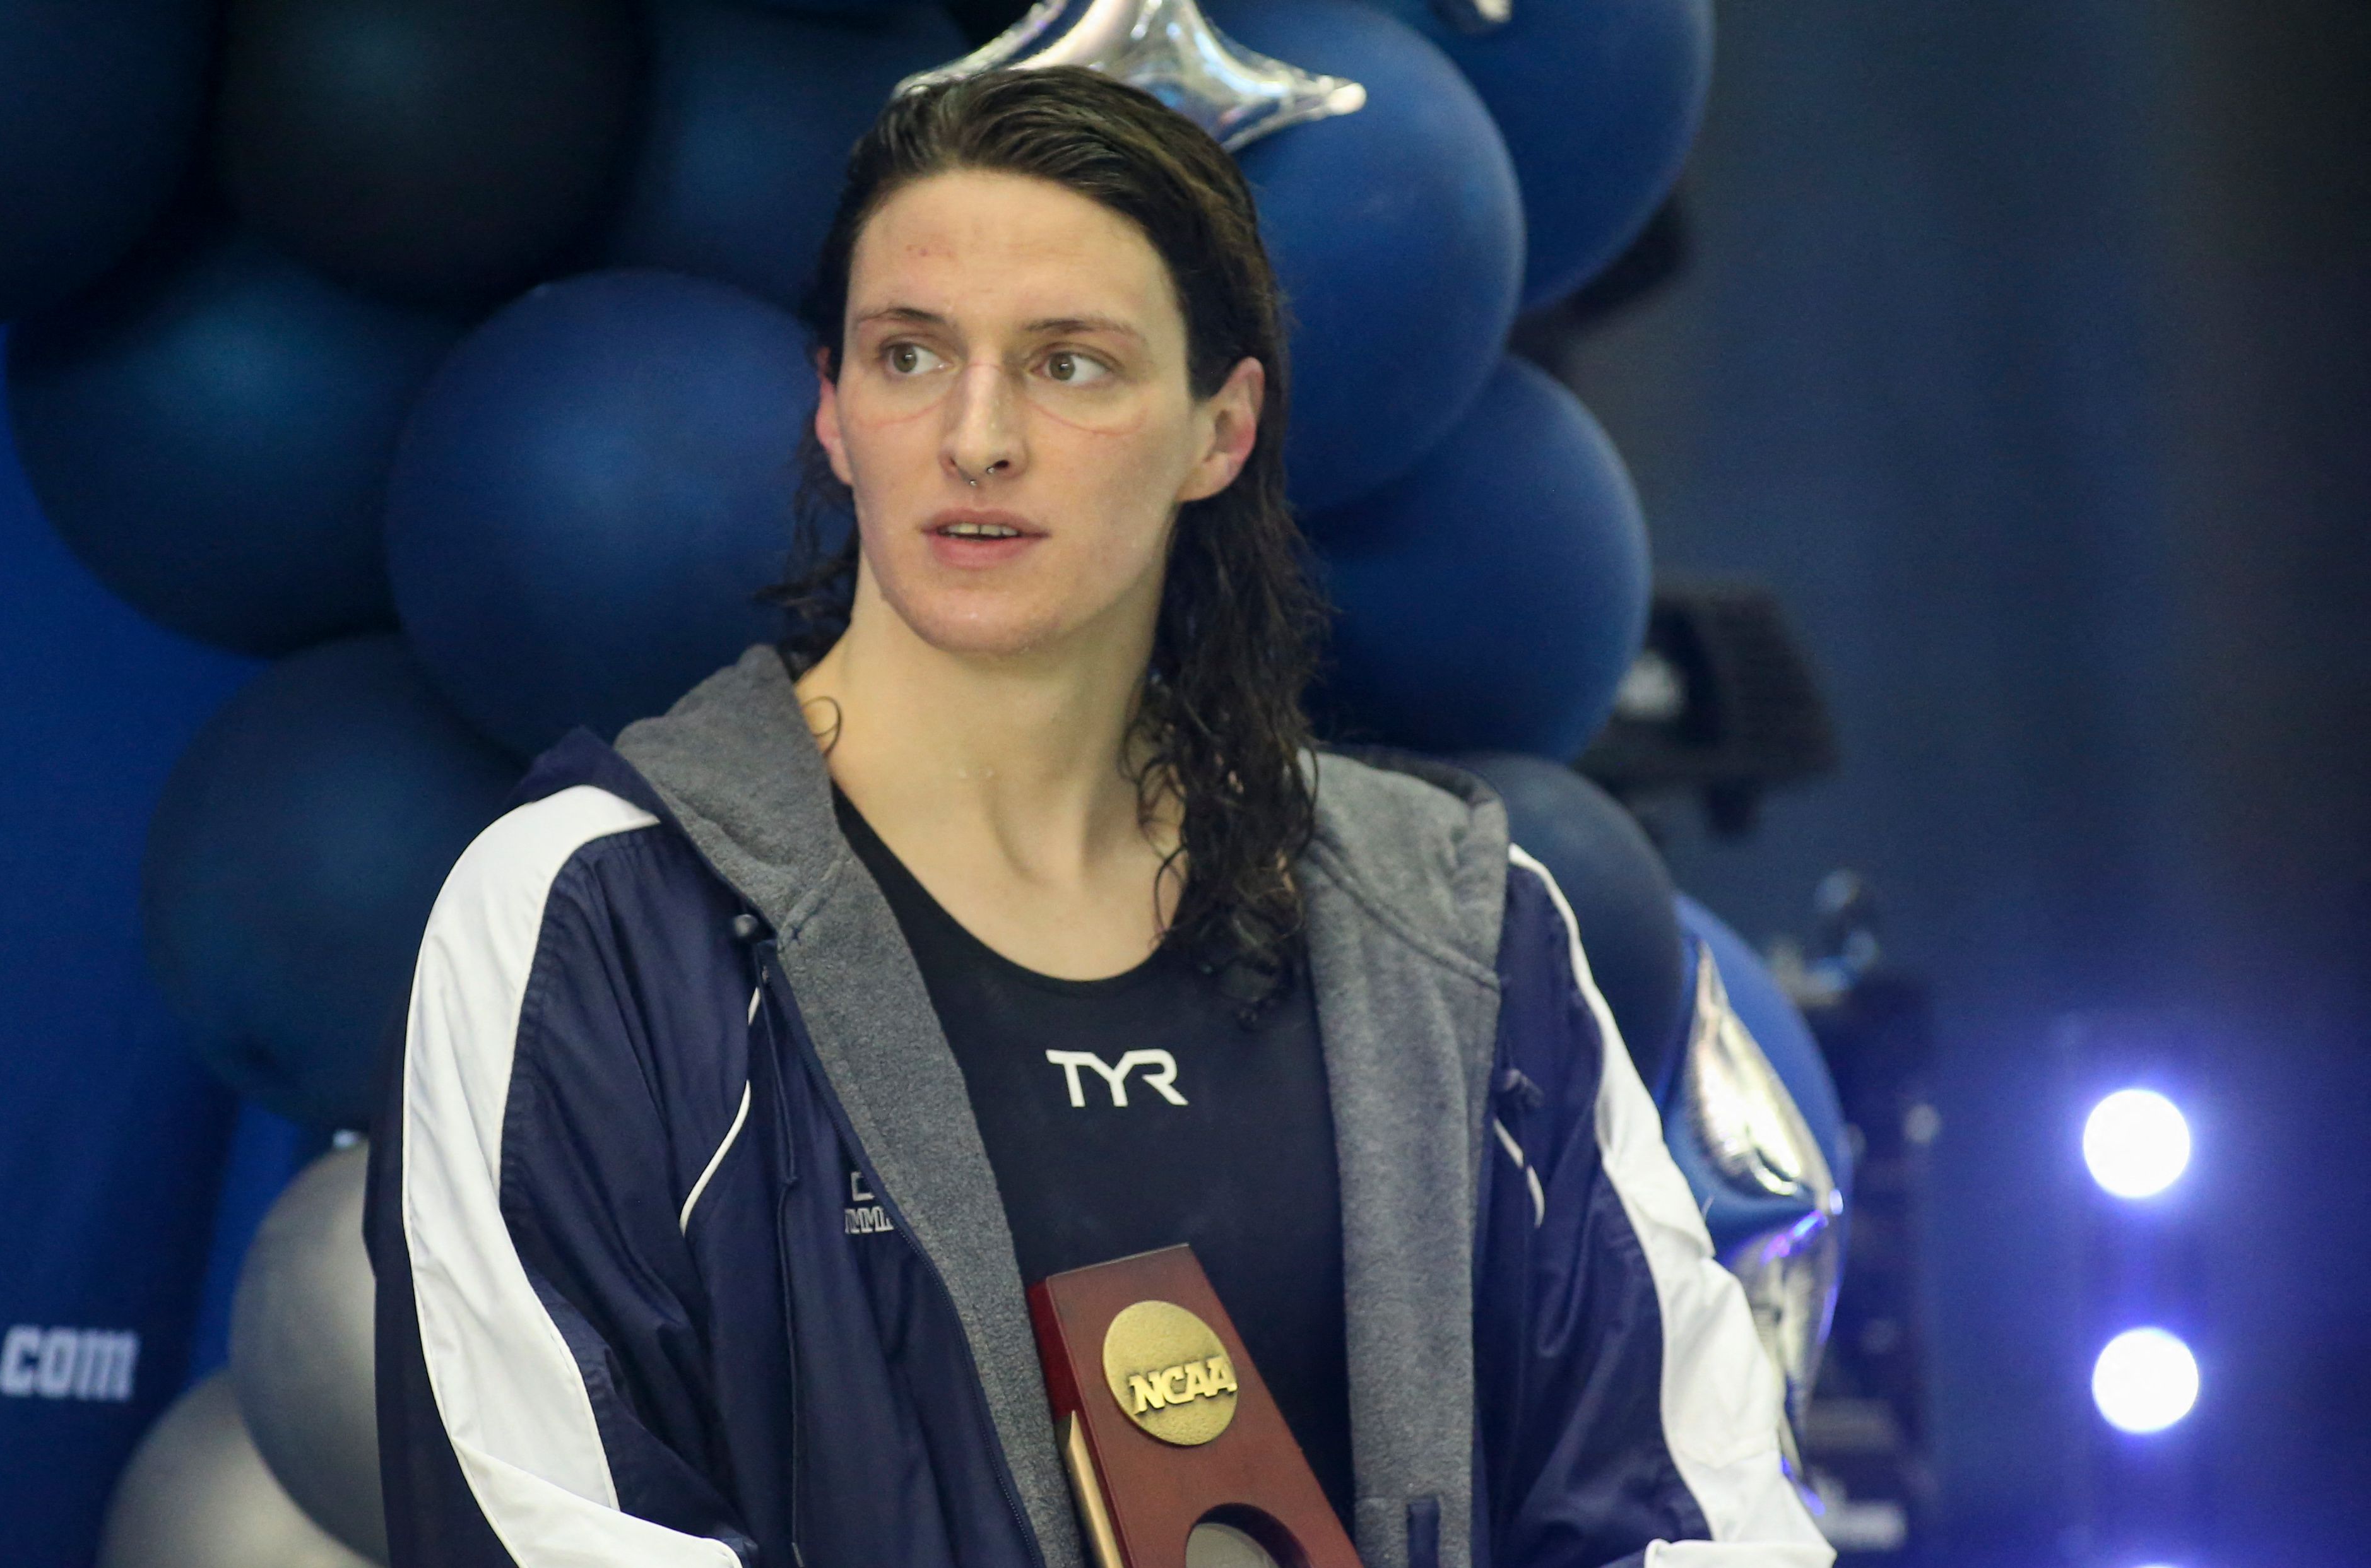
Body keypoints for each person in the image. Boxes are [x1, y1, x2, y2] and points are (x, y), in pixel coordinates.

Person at [369, 67, 1832, 1568]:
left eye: (1071, 364)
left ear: (1222, 426)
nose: (978, 436)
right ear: (832, 409)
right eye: (911, 354)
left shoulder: (1464, 928)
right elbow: (544, 1526)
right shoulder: (592, 917)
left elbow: (1695, 1519)